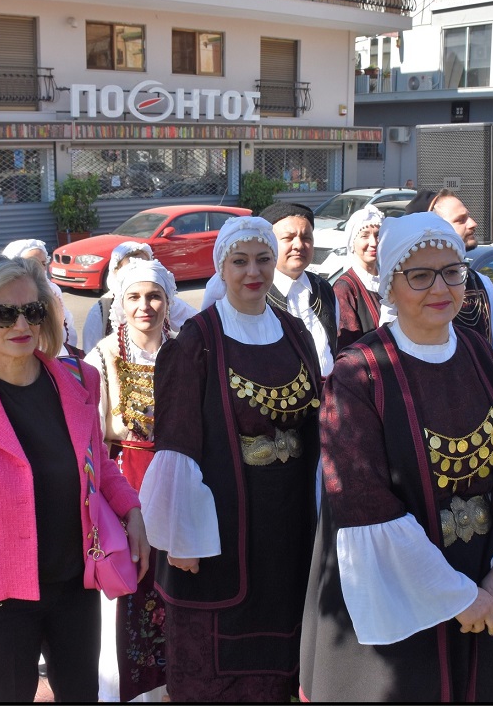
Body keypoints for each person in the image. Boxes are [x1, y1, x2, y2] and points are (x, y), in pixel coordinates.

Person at [299, 212, 493, 702]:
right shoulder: (359, 373)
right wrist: (457, 597)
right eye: (420, 275)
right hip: (398, 584)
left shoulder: (482, 356)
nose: (441, 288)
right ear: (390, 284)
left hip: (483, 570)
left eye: (452, 272)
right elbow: (364, 504)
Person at [0, 254, 150, 703]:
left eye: (32, 310)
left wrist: (131, 508)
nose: (21, 324)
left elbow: (97, 462)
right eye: (3, 313)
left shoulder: (80, 379)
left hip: (75, 586)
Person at [139, 216, 322, 701]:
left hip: (289, 519)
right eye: (240, 262)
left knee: (285, 637)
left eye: (263, 260)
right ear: (221, 268)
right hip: (221, 525)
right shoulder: (195, 342)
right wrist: (181, 538)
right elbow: (177, 442)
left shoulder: (294, 331)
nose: (253, 272)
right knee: (222, 660)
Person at [85, 258, 176, 702]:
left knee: (176, 587)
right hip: (126, 486)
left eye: (154, 296)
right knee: (128, 589)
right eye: (135, 297)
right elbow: (92, 440)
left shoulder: (186, 350)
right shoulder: (101, 359)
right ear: (120, 303)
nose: (145, 306)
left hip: (177, 486)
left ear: (168, 301)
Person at [403, 189, 493, 396]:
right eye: (460, 220)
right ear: (433, 229)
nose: (472, 223)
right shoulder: (403, 288)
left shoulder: (481, 283)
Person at [259, 201, 339, 377]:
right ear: (268, 243)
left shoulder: (323, 288)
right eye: (288, 238)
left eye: (306, 238)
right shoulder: (256, 293)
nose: (299, 245)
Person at [83, 242, 197, 352]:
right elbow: (89, 349)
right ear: (116, 272)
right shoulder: (102, 310)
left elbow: (197, 325)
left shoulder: (166, 302)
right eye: (131, 266)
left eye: (145, 265)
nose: (144, 306)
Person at [2, 239, 80, 354]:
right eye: (31, 263)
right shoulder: (2, 295)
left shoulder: (52, 291)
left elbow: (59, 330)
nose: (38, 269)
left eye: (43, 263)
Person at [332, 206, 384, 350]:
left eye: (378, 235)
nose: (373, 243)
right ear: (352, 242)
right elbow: (348, 346)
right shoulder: (344, 288)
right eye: (365, 236)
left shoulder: (390, 279)